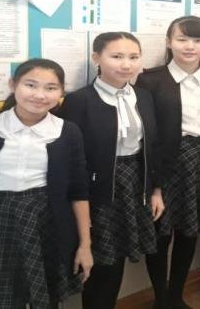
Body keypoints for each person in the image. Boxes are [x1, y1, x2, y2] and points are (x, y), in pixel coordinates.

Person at [0, 58, 93, 309]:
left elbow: (78, 192)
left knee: (45, 297)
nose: (40, 95)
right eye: (30, 85)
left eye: (51, 88)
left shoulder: (68, 132)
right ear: (12, 85)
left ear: (61, 92)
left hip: (49, 223)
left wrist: (85, 245)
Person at [58, 32, 164, 309]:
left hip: (135, 184)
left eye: (133, 57)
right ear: (97, 58)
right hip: (97, 189)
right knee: (101, 262)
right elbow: (70, 158)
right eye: (116, 56)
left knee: (119, 257)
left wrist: (156, 190)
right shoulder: (79, 100)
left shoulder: (144, 96)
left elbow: (153, 147)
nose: (126, 64)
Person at [136, 15, 200, 309]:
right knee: (160, 233)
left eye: (198, 39)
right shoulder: (150, 80)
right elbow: (147, 134)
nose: (190, 46)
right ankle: (161, 299)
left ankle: (176, 296)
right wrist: (154, 184)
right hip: (166, 163)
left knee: (189, 231)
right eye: (182, 39)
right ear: (169, 42)